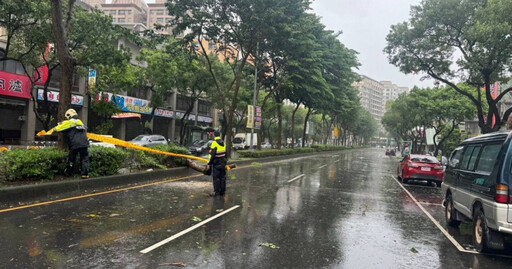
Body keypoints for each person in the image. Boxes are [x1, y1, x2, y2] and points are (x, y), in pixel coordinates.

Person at [50, 108, 90, 179]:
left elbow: (58, 128)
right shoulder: (80, 122)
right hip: (84, 144)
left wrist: (50, 131)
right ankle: (85, 174)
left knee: (71, 159)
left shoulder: (69, 122)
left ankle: (69, 172)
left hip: (75, 144)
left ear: (69, 115)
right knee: (84, 159)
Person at [207, 130, 227, 197]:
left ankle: (216, 192)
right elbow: (225, 154)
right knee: (223, 178)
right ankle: (222, 192)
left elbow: (212, 155)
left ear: (214, 135)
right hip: (223, 163)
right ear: (220, 135)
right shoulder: (224, 143)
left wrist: (209, 163)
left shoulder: (214, 143)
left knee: (216, 178)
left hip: (216, 164)